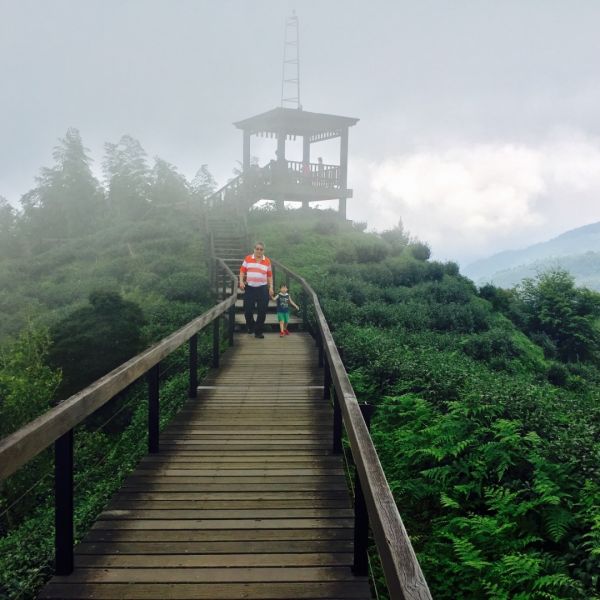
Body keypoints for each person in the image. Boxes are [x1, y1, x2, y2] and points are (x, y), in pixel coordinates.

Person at [239, 241, 273, 339]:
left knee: (262, 311)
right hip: (250, 288)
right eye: (257, 249)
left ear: (263, 251)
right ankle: (251, 326)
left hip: (262, 289)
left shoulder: (267, 261)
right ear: (254, 249)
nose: (259, 251)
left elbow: (270, 275)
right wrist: (241, 282)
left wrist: (271, 287)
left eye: (261, 249)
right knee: (248, 311)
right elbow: (242, 271)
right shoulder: (248, 258)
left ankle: (258, 332)